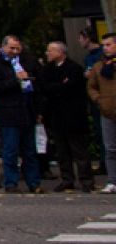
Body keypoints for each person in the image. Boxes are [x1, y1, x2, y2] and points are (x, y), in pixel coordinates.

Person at [0, 35, 42, 193]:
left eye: (17, 48)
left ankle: (34, 182)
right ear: (3, 47)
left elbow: (36, 82)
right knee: (10, 150)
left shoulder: (25, 62)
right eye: (11, 48)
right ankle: (11, 182)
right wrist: (15, 80)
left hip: (26, 110)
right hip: (9, 111)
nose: (15, 51)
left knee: (30, 150)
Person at [39, 41, 93, 192]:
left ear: (60, 52)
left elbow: (73, 88)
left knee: (79, 150)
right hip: (56, 115)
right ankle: (67, 178)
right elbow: (45, 88)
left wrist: (57, 88)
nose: (47, 53)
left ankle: (86, 179)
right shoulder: (47, 70)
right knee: (62, 151)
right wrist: (60, 86)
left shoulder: (74, 68)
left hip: (73, 115)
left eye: (50, 50)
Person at [87, 33, 116, 193]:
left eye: (109, 44)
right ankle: (112, 180)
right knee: (110, 148)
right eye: (104, 45)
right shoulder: (99, 66)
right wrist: (99, 100)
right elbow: (91, 86)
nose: (105, 48)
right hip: (107, 110)